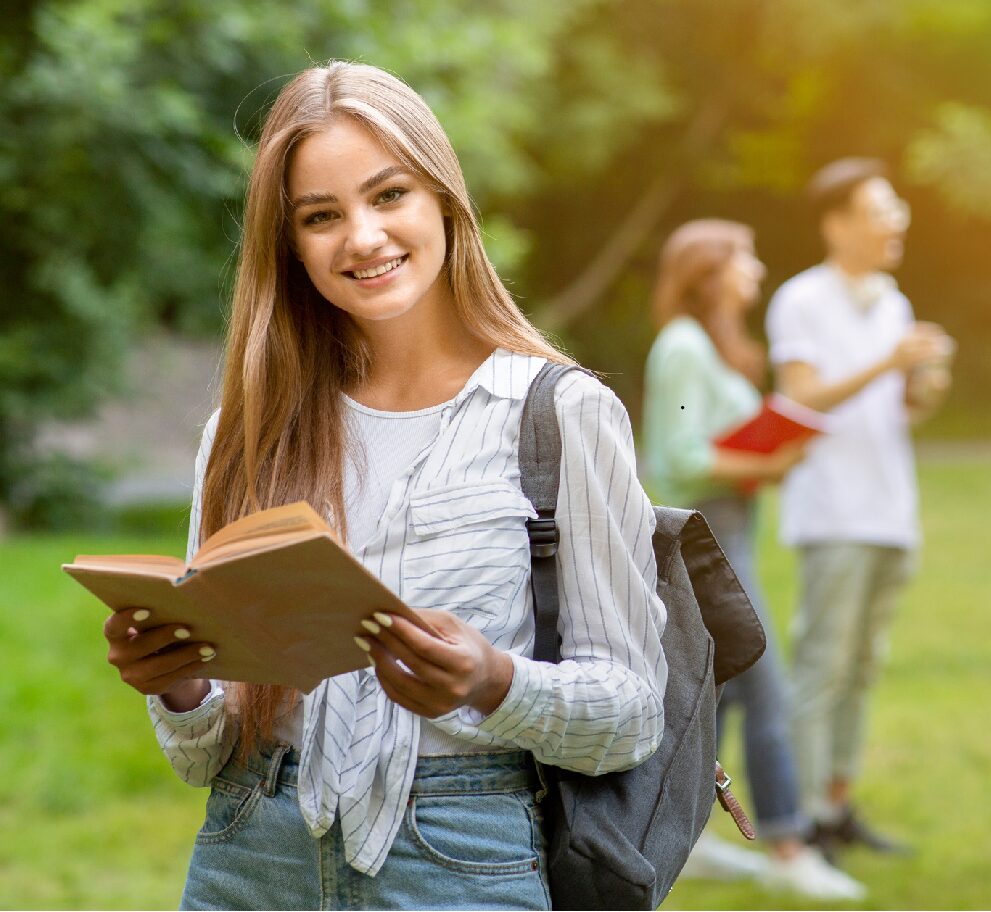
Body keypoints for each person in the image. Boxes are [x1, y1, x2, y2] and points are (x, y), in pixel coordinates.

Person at [100, 61, 667, 910]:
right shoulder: (246, 429)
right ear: (289, 245)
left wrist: (491, 680)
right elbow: (202, 756)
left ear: (442, 197)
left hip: (459, 857)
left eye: (388, 194)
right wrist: (176, 683)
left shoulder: (559, 413)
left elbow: (632, 716)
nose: (361, 237)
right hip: (248, 853)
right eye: (320, 216)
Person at [641, 219, 865, 901]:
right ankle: (789, 843)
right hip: (703, 539)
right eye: (745, 260)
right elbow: (678, 455)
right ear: (708, 273)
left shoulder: (708, 348)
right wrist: (766, 462)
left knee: (722, 694)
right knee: (768, 686)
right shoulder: (682, 347)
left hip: (728, 533)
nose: (757, 273)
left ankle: (684, 837)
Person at [765, 158, 953, 864]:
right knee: (822, 665)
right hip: (832, 512)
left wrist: (922, 381)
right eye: (880, 209)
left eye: (896, 207)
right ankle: (805, 817)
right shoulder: (801, 300)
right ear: (837, 224)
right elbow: (798, 401)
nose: (896, 219)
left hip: (890, 511)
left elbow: (897, 406)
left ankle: (838, 806)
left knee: (865, 667)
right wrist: (886, 362)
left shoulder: (893, 301)